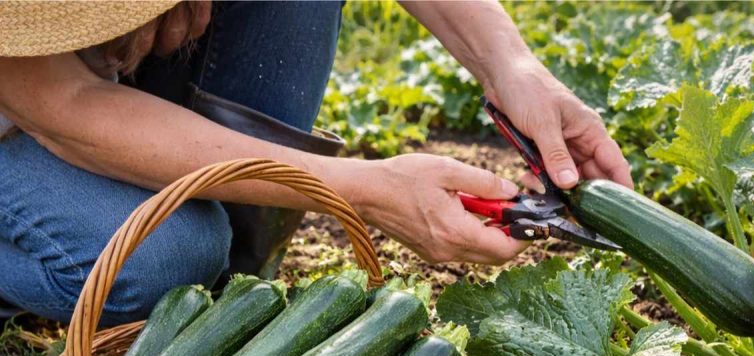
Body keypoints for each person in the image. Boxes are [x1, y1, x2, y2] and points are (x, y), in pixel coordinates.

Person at [0, 1, 632, 325]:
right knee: (164, 257)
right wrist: (362, 189)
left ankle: (230, 268)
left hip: (97, 78)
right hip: (27, 118)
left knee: (207, 262)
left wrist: (510, 66)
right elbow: (68, 109)